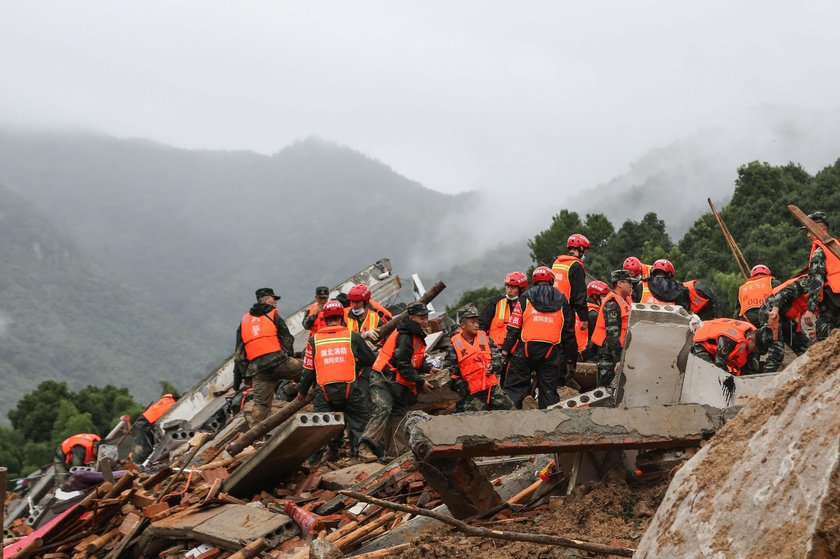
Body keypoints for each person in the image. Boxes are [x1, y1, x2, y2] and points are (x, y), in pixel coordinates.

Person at [358, 302, 440, 461]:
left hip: (397, 381)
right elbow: (402, 364)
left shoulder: (415, 335)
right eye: (421, 317)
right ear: (411, 318)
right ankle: (365, 447)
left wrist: (427, 368)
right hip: (383, 377)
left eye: (426, 317)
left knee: (398, 415)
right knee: (383, 408)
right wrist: (420, 382)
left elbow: (414, 360)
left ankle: (395, 455)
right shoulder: (405, 335)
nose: (425, 320)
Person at [298, 300, 376, 461]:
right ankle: (362, 453)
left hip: (324, 391)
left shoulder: (314, 340)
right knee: (360, 423)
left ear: (325, 319)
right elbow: (370, 359)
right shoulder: (352, 336)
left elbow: (308, 371)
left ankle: (315, 461)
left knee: (321, 428)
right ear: (342, 317)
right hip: (350, 388)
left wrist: (301, 392)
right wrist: (356, 364)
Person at [502, 266, 577, 409]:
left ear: (534, 281)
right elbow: (569, 334)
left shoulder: (525, 298)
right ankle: (549, 428)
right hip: (551, 352)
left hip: (525, 350)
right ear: (551, 280)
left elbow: (513, 327)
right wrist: (570, 361)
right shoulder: (561, 300)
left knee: (513, 390)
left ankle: (507, 424)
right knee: (548, 393)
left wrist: (505, 351)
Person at [234, 287, 302, 424]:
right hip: (279, 362)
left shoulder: (244, 321)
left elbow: (239, 355)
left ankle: (255, 439)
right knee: (309, 371)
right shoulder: (272, 315)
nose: (276, 302)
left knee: (261, 405)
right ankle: (314, 398)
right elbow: (287, 339)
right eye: (273, 299)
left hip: (259, 371)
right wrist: (289, 356)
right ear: (265, 300)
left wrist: (240, 380)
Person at [445, 304, 514, 412]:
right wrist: (462, 387)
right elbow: (450, 372)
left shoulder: (486, 340)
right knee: (472, 421)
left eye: (477, 322)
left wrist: (493, 367)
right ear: (462, 325)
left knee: (511, 412)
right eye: (472, 322)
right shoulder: (454, 347)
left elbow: (498, 358)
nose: (476, 325)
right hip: (473, 393)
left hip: (493, 388)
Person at [760, 275, 812, 372]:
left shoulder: (830, 288)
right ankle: (764, 379)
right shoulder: (811, 280)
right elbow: (784, 293)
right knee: (777, 352)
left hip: (785, 316)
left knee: (806, 347)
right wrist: (775, 310)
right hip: (771, 311)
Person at [590, 270, 633, 386]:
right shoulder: (612, 304)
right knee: (606, 387)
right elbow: (612, 334)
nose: (631, 285)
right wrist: (619, 359)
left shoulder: (626, 300)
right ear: (620, 283)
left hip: (618, 349)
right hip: (608, 352)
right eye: (629, 282)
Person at [690, 318, 771, 376]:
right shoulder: (729, 340)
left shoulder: (754, 333)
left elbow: (747, 359)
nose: (755, 351)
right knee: (710, 371)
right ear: (749, 340)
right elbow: (719, 365)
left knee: (753, 365)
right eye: (755, 348)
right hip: (701, 343)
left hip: (720, 345)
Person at [804, 211, 840, 340]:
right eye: (806, 232)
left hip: (832, 306)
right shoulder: (836, 246)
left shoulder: (820, 252)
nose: (808, 235)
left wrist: (810, 309)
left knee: (825, 345)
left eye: (810, 231)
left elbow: (816, 282)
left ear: (823, 229)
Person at [479, 271, 528, 347]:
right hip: (494, 350)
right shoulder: (497, 302)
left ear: (521, 289)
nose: (509, 290)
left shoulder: (526, 305)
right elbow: (482, 323)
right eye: (507, 286)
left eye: (513, 287)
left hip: (517, 351)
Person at [131, 393, 177, 463]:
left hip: (144, 422)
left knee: (145, 448)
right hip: (145, 423)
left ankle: (140, 463)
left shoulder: (166, 400)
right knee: (144, 450)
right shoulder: (171, 404)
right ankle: (139, 464)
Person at [581, 280, 609, 362]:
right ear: (595, 296)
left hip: (579, 351)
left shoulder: (584, 309)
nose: (606, 298)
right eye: (603, 296)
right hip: (586, 354)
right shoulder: (594, 314)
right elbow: (597, 338)